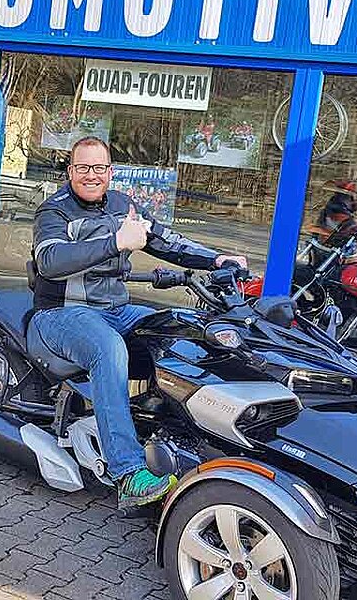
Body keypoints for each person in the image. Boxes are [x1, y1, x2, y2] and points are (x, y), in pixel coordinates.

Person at [28, 136, 247, 511]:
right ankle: (128, 472)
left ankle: (191, 435)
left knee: (180, 330)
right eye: (83, 167)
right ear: (70, 171)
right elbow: (50, 261)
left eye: (99, 167)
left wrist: (215, 259)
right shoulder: (54, 211)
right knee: (108, 348)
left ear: (110, 171)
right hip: (62, 313)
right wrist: (115, 241)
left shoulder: (122, 205)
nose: (91, 175)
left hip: (116, 309)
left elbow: (166, 241)